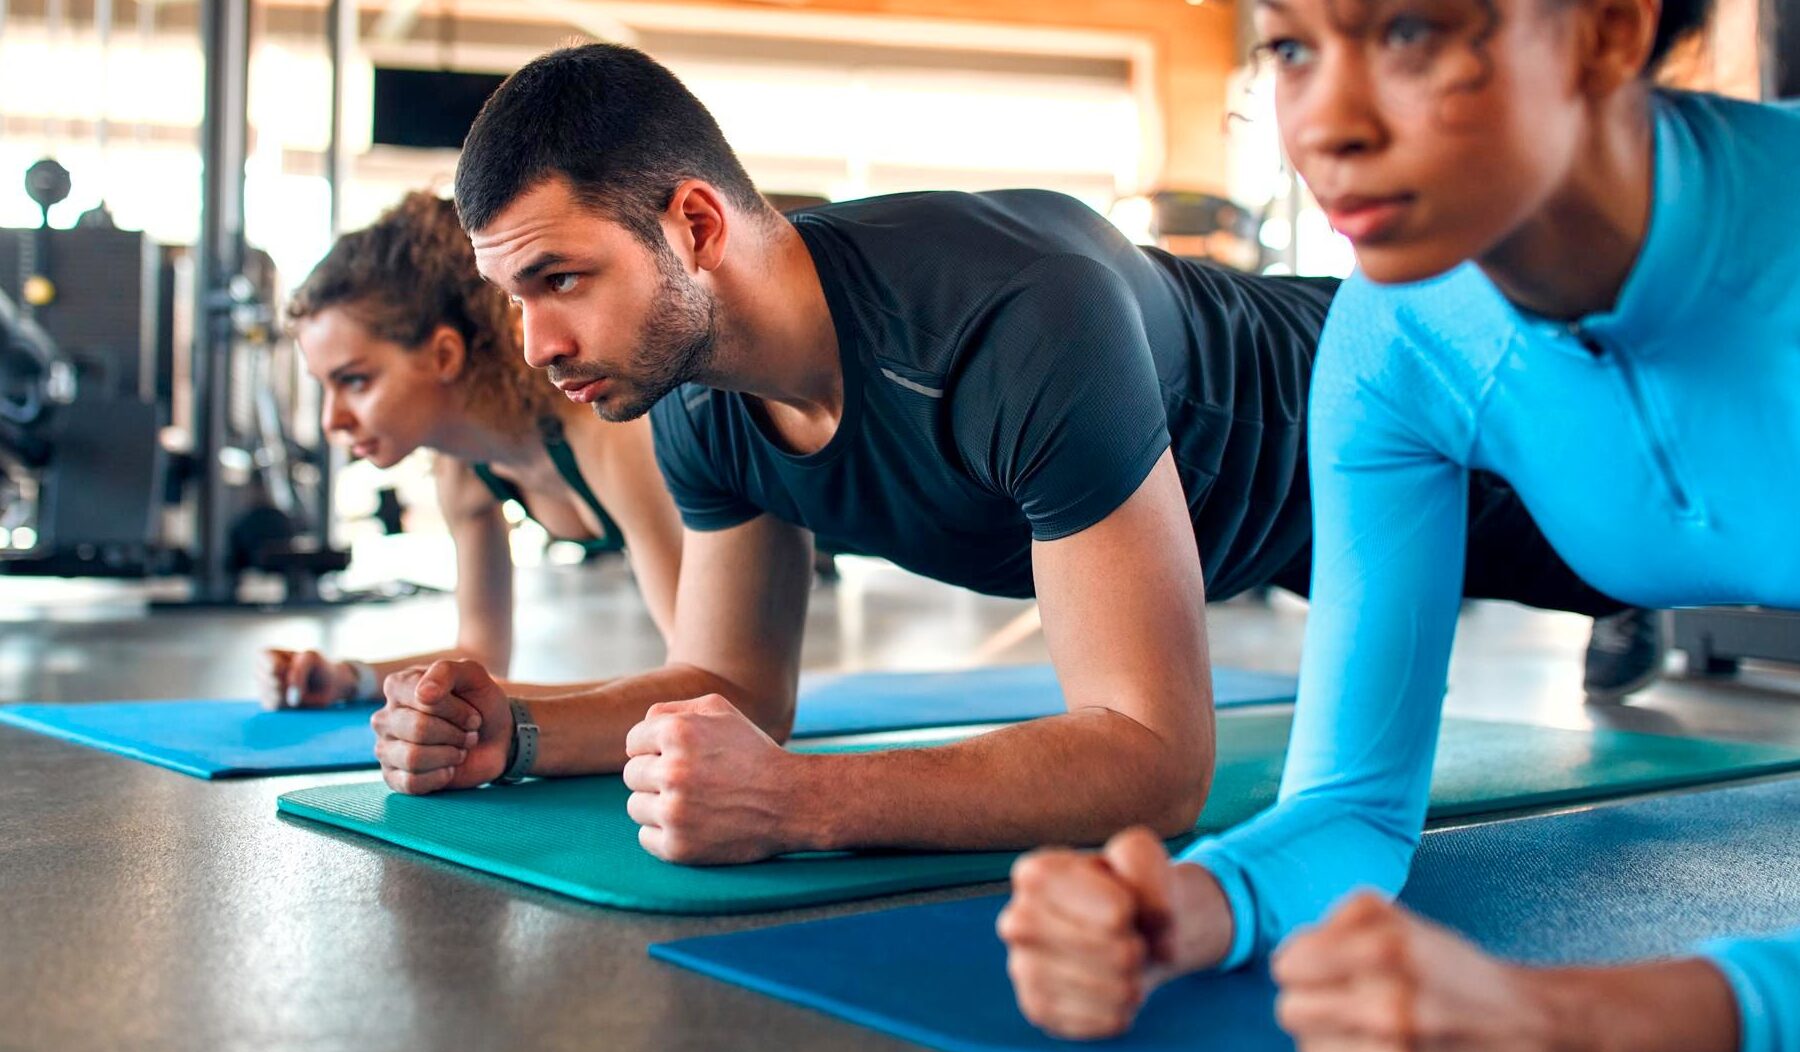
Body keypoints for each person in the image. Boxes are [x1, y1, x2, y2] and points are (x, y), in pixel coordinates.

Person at [369, 44, 1632, 864]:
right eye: (514, 297)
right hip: (1304, 538)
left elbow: (1154, 758)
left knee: (1711, 551)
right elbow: (735, 687)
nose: (536, 342)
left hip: (1452, 409)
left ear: (693, 224)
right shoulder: (698, 396)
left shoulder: (1007, 318)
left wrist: (797, 802)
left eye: (560, 280)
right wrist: (518, 731)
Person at [997, 0, 1800, 1052]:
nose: (1327, 124)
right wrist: (1193, 900)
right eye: (1290, 48)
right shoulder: (1396, 337)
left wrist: (1592, 1027)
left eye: (1412, 30)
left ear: (1608, 28)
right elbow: (1354, 802)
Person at [260, 192, 683, 710]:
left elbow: (701, 676)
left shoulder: (603, 433)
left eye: (355, 380)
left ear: (443, 354)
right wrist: (351, 679)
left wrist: (501, 720)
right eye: (326, 387)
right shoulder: (464, 469)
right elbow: (482, 656)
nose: (333, 421)